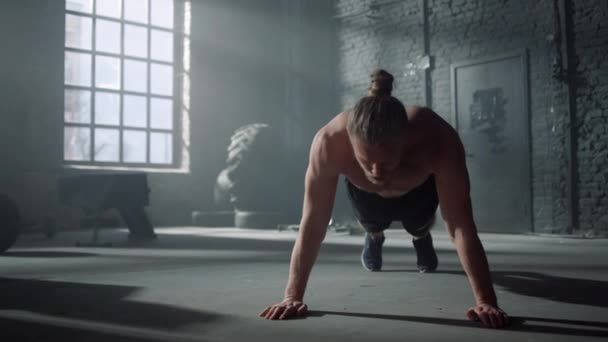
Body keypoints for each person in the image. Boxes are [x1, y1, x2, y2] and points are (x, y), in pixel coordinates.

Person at [260, 69, 510, 329]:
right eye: (366, 161)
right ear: (350, 142)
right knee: (372, 224)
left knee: (419, 225)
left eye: (387, 161)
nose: (377, 171)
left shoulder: (438, 139)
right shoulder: (329, 142)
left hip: (418, 192)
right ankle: (375, 236)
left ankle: (421, 237)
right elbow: (313, 223)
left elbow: (460, 225)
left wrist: (486, 300)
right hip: (366, 197)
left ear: (406, 140)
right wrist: (292, 296)